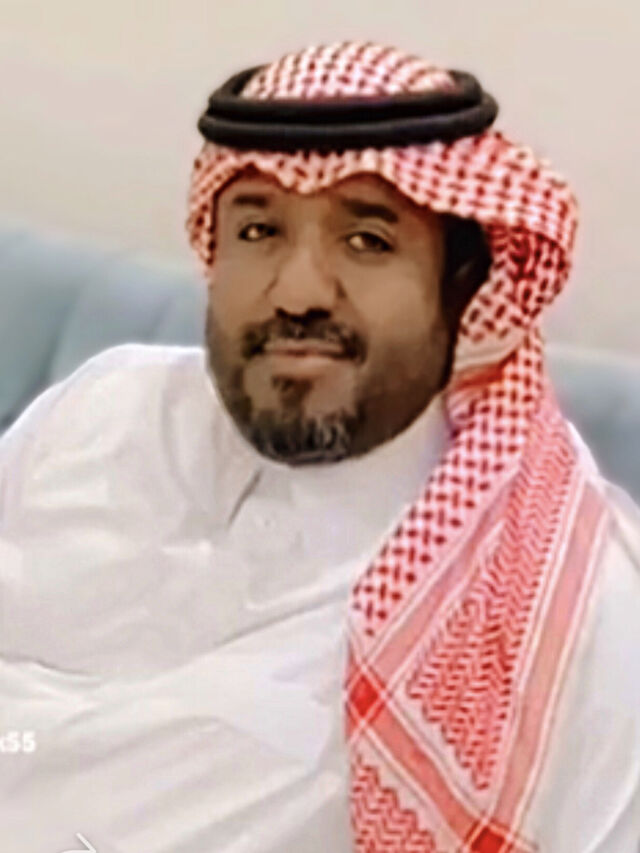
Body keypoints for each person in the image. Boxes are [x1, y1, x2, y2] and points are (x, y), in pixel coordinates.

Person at [1, 40, 639, 853]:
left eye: (367, 239)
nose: (298, 293)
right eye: (259, 229)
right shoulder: (101, 410)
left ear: (463, 285)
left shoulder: (564, 603)